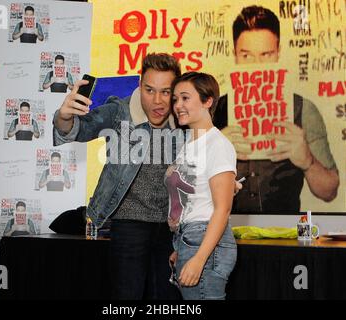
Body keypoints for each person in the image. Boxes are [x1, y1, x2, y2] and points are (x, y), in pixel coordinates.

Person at [53, 53, 184, 300]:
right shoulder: (120, 111)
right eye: (149, 90)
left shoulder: (184, 120)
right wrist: (64, 116)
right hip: (128, 225)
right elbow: (77, 129)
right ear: (139, 86)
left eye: (166, 92)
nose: (157, 100)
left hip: (172, 229)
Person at [213, 5, 339, 213]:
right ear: (234, 54)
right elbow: (185, 187)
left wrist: (308, 161)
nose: (257, 65)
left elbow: (329, 192)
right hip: (226, 232)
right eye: (246, 56)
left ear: (278, 53)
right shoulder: (213, 109)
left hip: (283, 234)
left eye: (266, 54)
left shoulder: (304, 109)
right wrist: (215, 149)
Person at [165, 72, 237, 300]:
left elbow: (222, 209)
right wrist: (182, 247)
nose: (178, 105)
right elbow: (192, 200)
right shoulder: (190, 143)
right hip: (190, 239)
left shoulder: (217, 144)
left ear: (208, 101)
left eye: (186, 98)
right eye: (175, 99)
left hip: (205, 243)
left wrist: (198, 258)